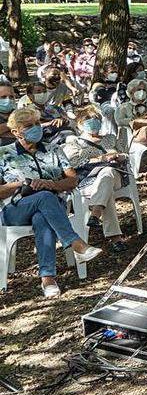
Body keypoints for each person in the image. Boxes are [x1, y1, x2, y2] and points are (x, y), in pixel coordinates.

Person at [0, 107, 103, 297]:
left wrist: (50, 184)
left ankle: (48, 279)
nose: (36, 128)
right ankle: (75, 243)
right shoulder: (3, 154)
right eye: (29, 126)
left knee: (42, 216)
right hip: (15, 209)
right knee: (44, 198)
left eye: (38, 124)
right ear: (15, 132)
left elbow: (72, 180)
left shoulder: (53, 149)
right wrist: (21, 184)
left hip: (52, 207)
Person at [62, 105, 129, 252]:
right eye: (88, 119)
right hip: (88, 180)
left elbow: (125, 154)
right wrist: (100, 158)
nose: (93, 122)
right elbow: (73, 162)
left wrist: (118, 156)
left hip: (115, 174)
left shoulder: (110, 138)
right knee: (106, 188)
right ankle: (115, 237)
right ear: (79, 124)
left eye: (96, 119)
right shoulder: (74, 142)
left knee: (108, 172)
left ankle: (96, 212)